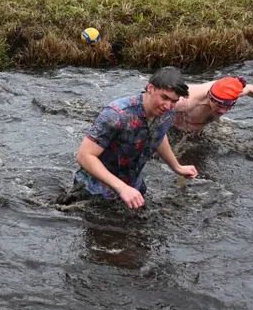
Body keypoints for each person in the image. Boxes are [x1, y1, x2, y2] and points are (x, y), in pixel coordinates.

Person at [73, 67, 197, 210]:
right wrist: (122, 188)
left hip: (133, 190)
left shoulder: (166, 112)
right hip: (93, 194)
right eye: (164, 97)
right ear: (150, 88)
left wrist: (177, 167)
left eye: (174, 101)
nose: (168, 105)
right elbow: (84, 155)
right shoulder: (117, 114)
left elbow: (159, 135)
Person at [172, 76, 253, 132]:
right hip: (174, 131)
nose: (223, 112)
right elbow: (153, 112)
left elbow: (251, 89)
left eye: (228, 107)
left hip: (198, 132)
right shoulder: (185, 102)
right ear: (210, 98)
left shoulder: (230, 91)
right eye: (219, 106)